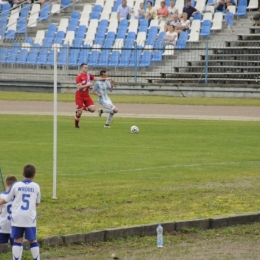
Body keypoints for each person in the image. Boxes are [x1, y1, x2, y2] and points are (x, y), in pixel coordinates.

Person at [0, 164, 40, 260]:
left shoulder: (16, 185)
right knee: (32, 240)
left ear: (22, 174)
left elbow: (7, 199)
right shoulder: (36, 186)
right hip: (29, 217)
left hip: (17, 216)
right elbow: (37, 203)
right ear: (34, 175)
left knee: (17, 239)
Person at [75, 63, 112, 129]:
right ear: (81, 68)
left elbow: (95, 78)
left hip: (86, 95)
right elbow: (79, 87)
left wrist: (106, 78)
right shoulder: (79, 76)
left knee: (92, 109)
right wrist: (89, 84)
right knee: (79, 113)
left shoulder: (89, 74)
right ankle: (76, 125)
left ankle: (80, 108)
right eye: (85, 67)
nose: (87, 69)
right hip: (79, 95)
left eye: (87, 67)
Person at [0, 175, 18, 246]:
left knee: (2, 246)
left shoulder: (1, 196)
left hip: (3, 225)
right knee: (15, 245)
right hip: (15, 224)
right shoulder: (18, 196)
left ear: (5, 185)